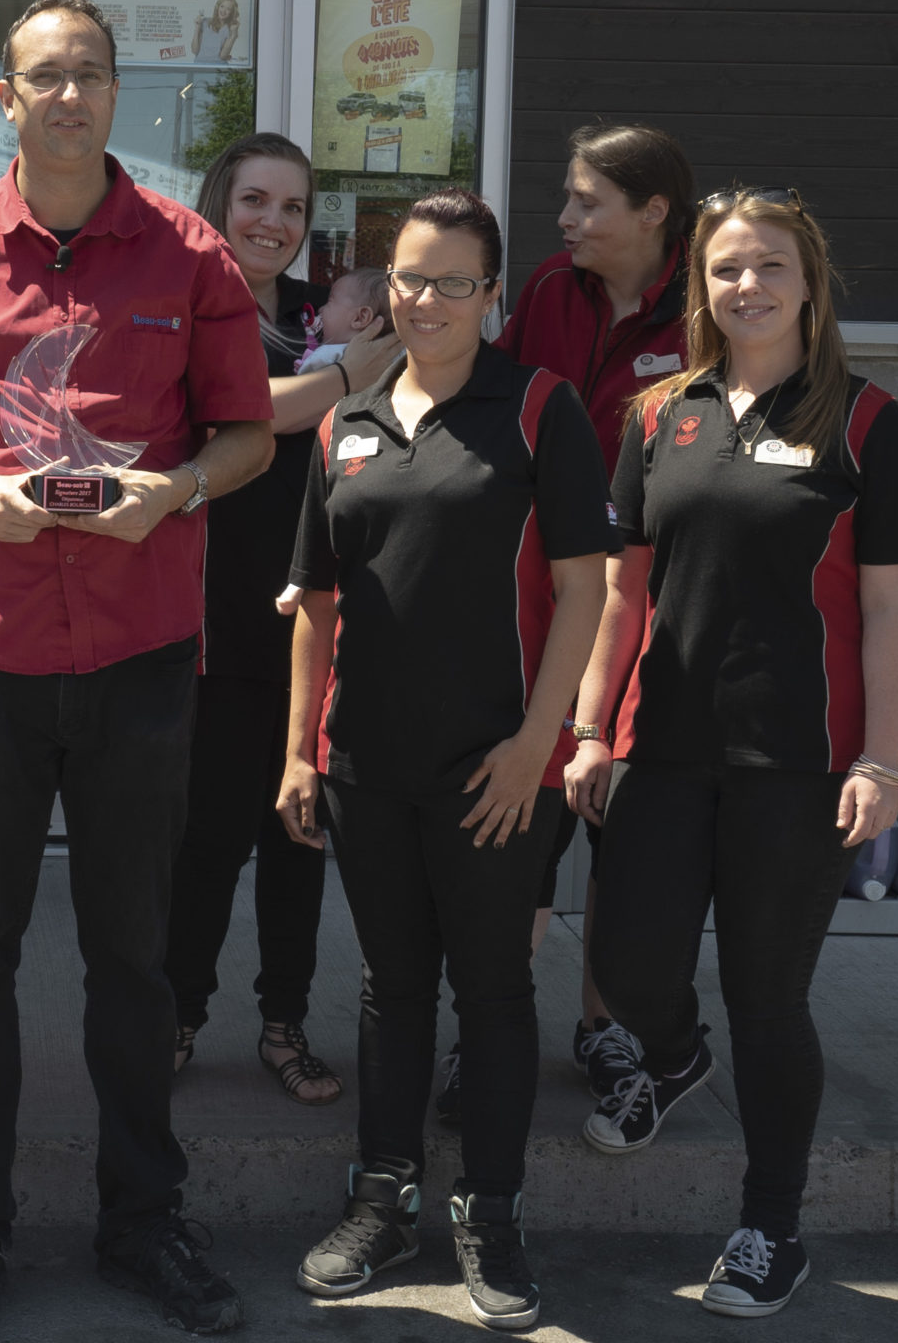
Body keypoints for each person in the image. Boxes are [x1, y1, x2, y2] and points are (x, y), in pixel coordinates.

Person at [0, 0, 276, 1343]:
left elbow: (249, 437)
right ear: (6, 96)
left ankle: (143, 1221)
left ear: (116, 93)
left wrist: (177, 491)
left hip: (144, 656)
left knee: (132, 960)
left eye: (90, 74)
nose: (69, 96)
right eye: (45, 76)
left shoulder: (187, 250)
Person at [561, 188, 898, 1318]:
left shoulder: (867, 424)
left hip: (796, 762)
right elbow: (621, 592)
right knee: (626, 970)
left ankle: (772, 1225)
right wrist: (585, 726)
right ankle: (671, 1059)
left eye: (771, 266)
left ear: (809, 284)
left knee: (767, 997)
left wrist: (879, 759)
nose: (748, 287)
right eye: (727, 269)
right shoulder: (656, 413)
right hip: (658, 746)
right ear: (701, 288)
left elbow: (886, 614)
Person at [274, 190, 616, 1333]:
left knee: (494, 991)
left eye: (450, 282)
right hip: (368, 765)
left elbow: (584, 589)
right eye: (408, 278)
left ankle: (493, 1211)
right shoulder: (346, 422)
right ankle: (382, 1197)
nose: (424, 300)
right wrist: (297, 754)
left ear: (490, 295)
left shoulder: (537, 411)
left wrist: (541, 742)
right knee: (388, 987)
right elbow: (317, 607)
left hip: (494, 775)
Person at [433, 123, 696, 1126]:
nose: (566, 218)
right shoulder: (546, 289)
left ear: (652, 213)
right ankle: (488, 1028)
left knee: (627, 832)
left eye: (588, 201)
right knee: (524, 820)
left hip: (654, 607)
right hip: (536, 598)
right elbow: (493, 400)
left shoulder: (707, 307)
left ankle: (609, 1029)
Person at [166, 133, 400, 1107]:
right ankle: (174, 1020)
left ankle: (283, 1025)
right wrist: (349, 379)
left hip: (314, 618)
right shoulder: (185, 309)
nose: (273, 222)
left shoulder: (323, 311)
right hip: (213, 623)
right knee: (207, 839)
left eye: (293, 209)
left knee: (299, 833)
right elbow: (247, 419)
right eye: (255, 200)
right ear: (220, 201)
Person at [295, 268, 388, 374]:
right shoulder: (391, 358)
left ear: (360, 318)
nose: (321, 309)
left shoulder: (326, 357)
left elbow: (301, 387)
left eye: (330, 301)